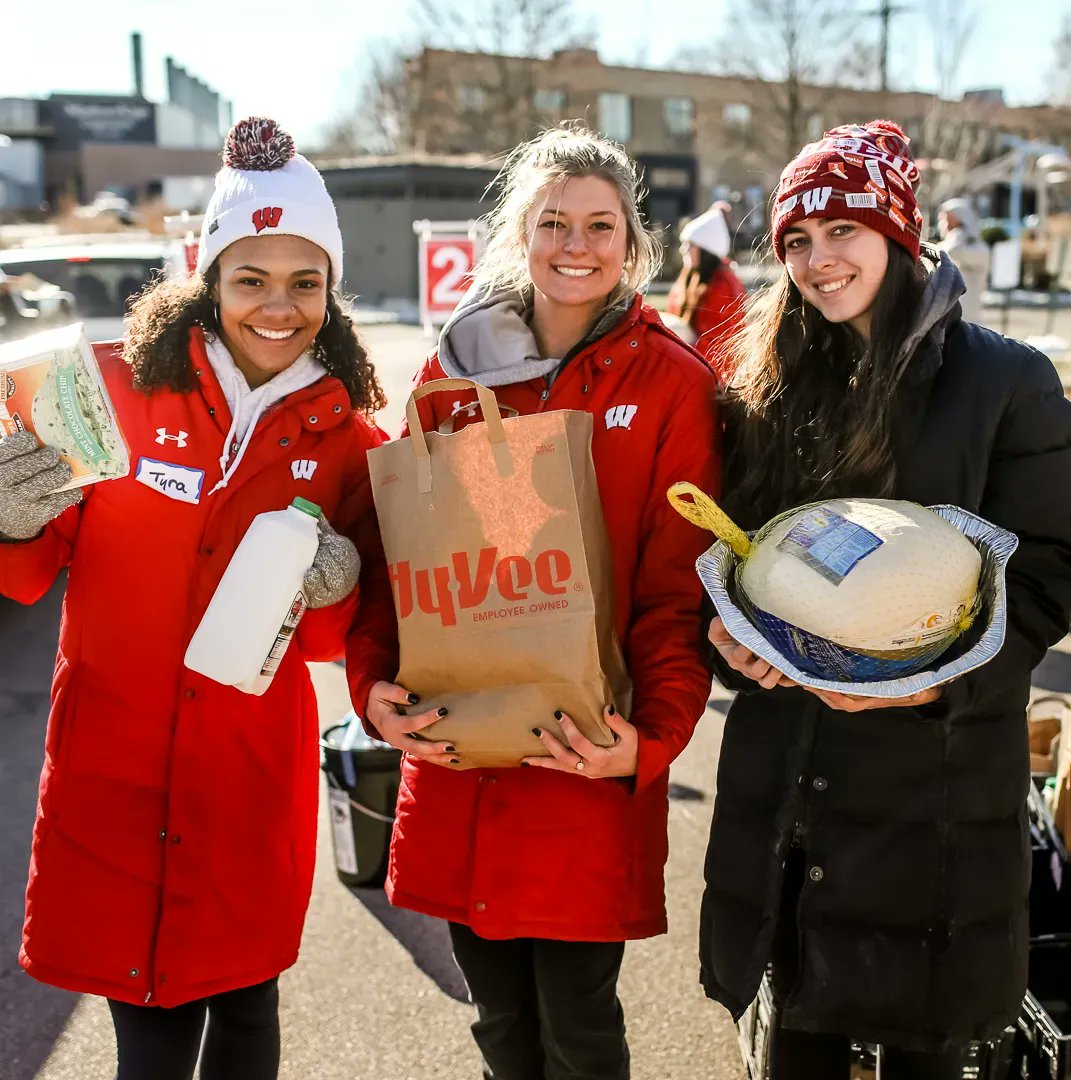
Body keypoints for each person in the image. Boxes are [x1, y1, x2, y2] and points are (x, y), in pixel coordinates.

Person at [0, 117, 386, 1080]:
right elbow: (31, 568)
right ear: (208, 279)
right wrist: (8, 520)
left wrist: (337, 581)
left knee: (250, 1014)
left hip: (247, 777)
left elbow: (340, 635)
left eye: (306, 283)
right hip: (115, 764)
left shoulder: (347, 435)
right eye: (250, 279)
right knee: (149, 1035)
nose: (278, 307)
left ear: (331, 290)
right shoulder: (110, 392)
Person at [698, 119, 1071, 1080]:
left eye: (842, 231)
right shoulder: (767, 384)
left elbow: (1052, 568)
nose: (818, 261)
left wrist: (942, 686)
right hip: (797, 773)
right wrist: (729, 639)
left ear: (899, 234)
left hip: (935, 782)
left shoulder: (1006, 382)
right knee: (801, 1041)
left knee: (928, 1046)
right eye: (796, 241)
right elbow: (733, 559)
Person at [346, 124, 719, 1080]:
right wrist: (372, 685)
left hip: (582, 757)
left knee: (581, 1029)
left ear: (634, 246)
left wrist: (654, 742)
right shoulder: (452, 373)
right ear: (521, 233)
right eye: (553, 222)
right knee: (500, 1025)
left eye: (601, 226)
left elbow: (678, 592)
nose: (575, 245)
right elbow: (402, 557)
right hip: (463, 753)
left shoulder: (672, 383)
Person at [664, 201, 746, 374]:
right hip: (689, 366)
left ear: (705, 250)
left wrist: (680, 348)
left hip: (710, 376)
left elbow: (720, 346)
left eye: (689, 245)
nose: (682, 250)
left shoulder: (724, 286)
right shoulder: (691, 276)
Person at [937, 197, 990, 325]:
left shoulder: (978, 249)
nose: (944, 224)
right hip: (942, 319)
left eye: (949, 219)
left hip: (967, 319)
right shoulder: (943, 245)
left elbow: (955, 251)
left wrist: (958, 234)